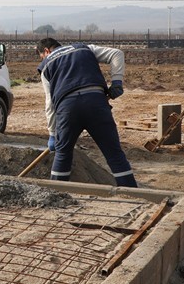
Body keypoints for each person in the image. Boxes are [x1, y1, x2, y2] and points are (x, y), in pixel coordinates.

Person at [36, 37, 138, 187]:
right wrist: (116, 81)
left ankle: (55, 192)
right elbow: (116, 53)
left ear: (46, 51)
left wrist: (52, 133)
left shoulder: (46, 64)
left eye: (41, 55)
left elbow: (50, 102)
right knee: (114, 154)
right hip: (96, 103)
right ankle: (133, 193)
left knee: (63, 154)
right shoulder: (84, 48)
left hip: (68, 109)